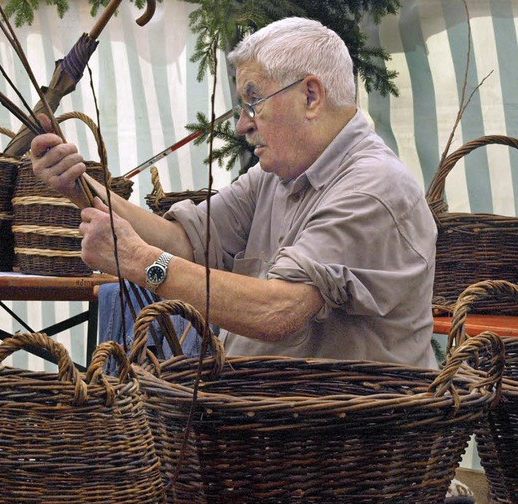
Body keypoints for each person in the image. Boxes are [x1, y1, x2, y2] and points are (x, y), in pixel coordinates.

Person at [30, 16, 438, 368]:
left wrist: (138, 260)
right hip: (272, 429)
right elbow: (183, 242)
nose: (243, 124)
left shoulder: (373, 187)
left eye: (253, 101)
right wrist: (77, 184)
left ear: (311, 96)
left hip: (352, 444)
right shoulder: (277, 175)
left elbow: (280, 310)